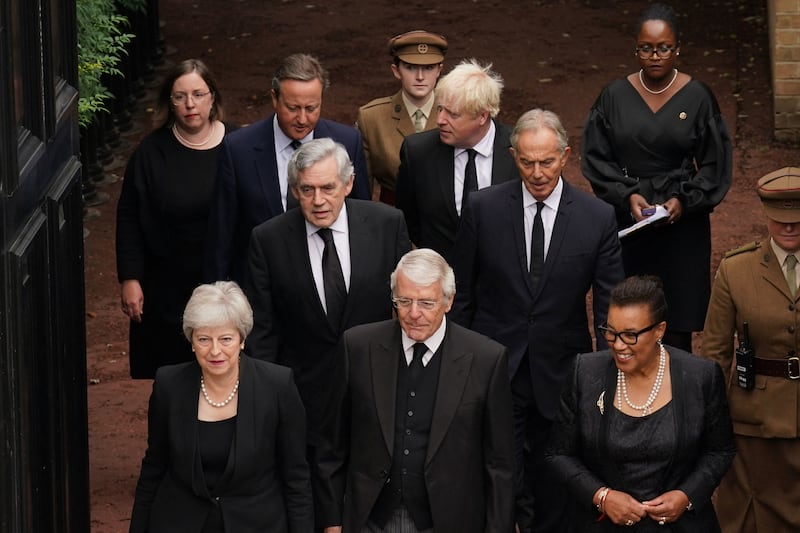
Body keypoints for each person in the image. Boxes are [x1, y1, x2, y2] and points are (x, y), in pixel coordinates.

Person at [449, 108, 624, 532]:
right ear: (513, 157)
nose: (538, 172)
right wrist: (458, 365)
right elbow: (464, 295)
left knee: (556, 473)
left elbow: (608, 307)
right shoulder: (482, 208)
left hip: (562, 372)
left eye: (547, 161)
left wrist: (610, 378)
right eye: (527, 161)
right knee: (499, 471)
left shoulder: (596, 217)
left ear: (566, 156)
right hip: (494, 367)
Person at [243, 138, 411, 519]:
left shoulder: (387, 225)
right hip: (304, 396)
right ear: (294, 189)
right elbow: (262, 331)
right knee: (314, 505)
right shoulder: (267, 240)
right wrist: (275, 399)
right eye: (307, 190)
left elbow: (406, 309)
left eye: (328, 188)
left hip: (379, 388)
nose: (318, 200)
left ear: (349, 184)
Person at [315, 249, 515, 532]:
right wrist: (332, 521)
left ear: (448, 302)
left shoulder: (486, 359)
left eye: (426, 303)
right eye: (404, 301)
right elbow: (332, 445)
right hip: (369, 519)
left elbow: (500, 465)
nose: (413, 314)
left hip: (450, 521)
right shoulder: (358, 347)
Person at [581, 2, 732, 353]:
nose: (655, 56)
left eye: (663, 47)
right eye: (646, 48)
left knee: (676, 321)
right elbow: (595, 158)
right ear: (636, 49)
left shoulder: (699, 98)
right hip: (629, 221)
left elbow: (715, 165)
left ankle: (676, 398)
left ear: (678, 49)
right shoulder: (613, 97)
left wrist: (684, 201)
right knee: (628, 316)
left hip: (682, 225)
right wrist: (625, 195)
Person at [546, 275, 735, 531]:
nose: (618, 345)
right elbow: (559, 453)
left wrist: (686, 495)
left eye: (631, 335)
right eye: (611, 333)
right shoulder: (585, 373)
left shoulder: (700, 377)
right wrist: (602, 496)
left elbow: (720, 451)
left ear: (660, 330)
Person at [129, 281, 313, 533]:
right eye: (204, 339)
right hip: (179, 523)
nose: (215, 351)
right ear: (192, 340)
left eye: (226, 338)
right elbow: (154, 468)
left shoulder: (277, 386)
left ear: (242, 339)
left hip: (257, 525)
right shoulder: (168, 385)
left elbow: (296, 479)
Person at [116, 58, 236, 379]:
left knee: (226, 373)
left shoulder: (238, 147)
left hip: (228, 282)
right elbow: (129, 216)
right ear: (169, 103)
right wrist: (130, 278)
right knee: (172, 379)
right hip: (166, 286)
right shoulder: (150, 153)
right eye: (180, 96)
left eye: (198, 94)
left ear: (213, 97)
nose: (190, 104)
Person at [205, 53, 371, 283]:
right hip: (263, 285)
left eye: (312, 108)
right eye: (293, 108)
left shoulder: (347, 142)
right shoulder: (237, 150)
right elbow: (222, 232)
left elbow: (362, 217)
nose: (302, 119)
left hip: (329, 280)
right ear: (274, 98)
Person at [702, 167, 800, 532]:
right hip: (753, 422)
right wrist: (710, 421)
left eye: (797, 219)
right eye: (780, 220)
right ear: (766, 215)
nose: (789, 227)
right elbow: (714, 351)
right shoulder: (736, 270)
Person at [395, 58, 516, 261]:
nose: (440, 120)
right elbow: (408, 218)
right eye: (440, 109)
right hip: (443, 281)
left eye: (453, 114)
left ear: (482, 117)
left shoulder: (519, 150)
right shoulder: (418, 152)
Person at [356, 30, 447, 204]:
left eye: (428, 68)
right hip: (393, 216)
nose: (420, 77)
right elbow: (361, 186)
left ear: (439, 70)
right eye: (410, 67)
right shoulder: (372, 118)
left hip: (446, 221)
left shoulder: (456, 113)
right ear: (396, 70)